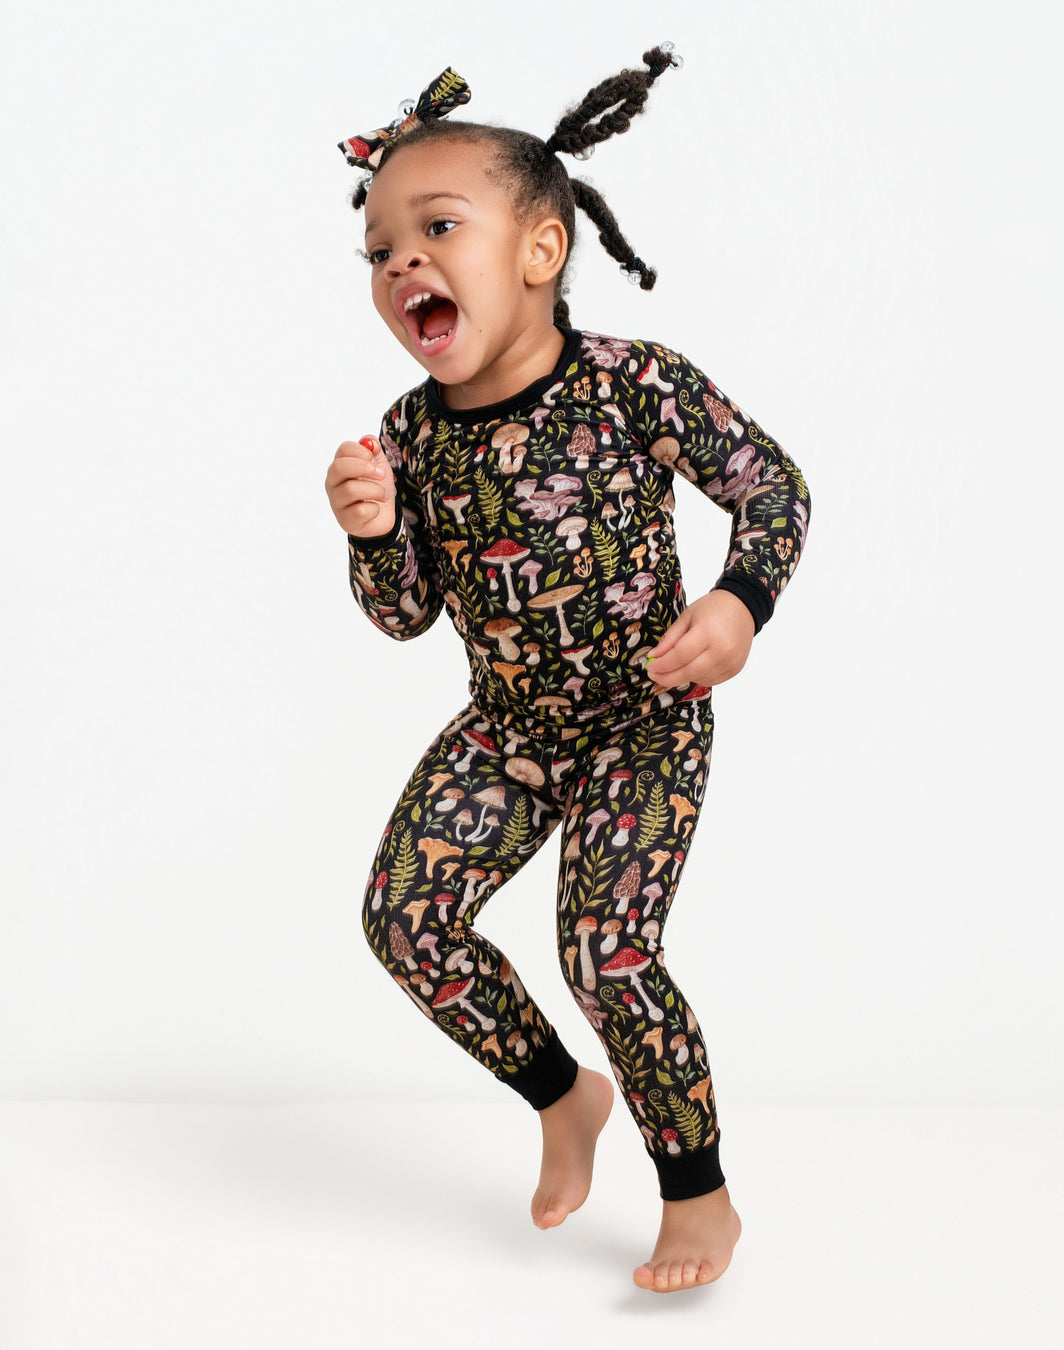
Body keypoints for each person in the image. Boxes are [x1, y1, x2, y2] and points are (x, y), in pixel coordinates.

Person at [324, 44, 811, 1294]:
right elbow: (406, 617)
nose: (401, 264)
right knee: (405, 919)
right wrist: (377, 536)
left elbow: (771, 485)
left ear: (540, 252)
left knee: (606, 949)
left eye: (436, 228)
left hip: (646, 719)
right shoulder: (405, 438)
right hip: (508, 727)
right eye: (379, 251)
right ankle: (563, 1097)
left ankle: (699, 1196)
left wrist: (739, 602)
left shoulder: (629, 384)